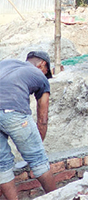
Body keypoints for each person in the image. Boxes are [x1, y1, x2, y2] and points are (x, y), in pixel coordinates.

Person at [0, 51, 56, 199]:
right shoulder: (39, 76)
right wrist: (37, 143)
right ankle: (58, 197)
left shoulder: (7, 63)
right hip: (12, 111)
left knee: (2, 165)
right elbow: (43, 118)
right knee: (38, 160)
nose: (45, 75)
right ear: (42, 64)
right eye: (46, 72)